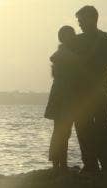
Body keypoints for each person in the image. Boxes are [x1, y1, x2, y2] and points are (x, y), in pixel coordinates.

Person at [73, 5, 107, 176]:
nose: (79, 24)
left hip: (100, 92)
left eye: (81, 20)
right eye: (78, 20)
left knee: (101, 127)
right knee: (83, 126)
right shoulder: (76, 41)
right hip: (81, 93)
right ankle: (91, 164)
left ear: (92, 18)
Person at [45, 25, 88, 173]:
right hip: (63, 96)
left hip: (64, 95)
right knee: (62, 130)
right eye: (70, 35)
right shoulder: (64, 53)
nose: (74, 37)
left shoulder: (64, 52)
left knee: (62, 130)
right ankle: (59, 163)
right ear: (63, 38)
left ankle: (58, 163)